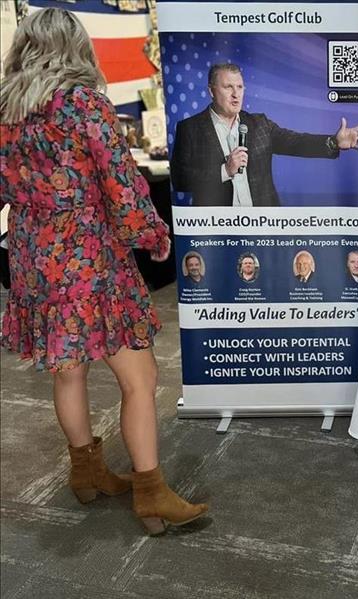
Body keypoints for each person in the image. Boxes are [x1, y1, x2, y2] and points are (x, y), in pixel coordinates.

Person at [0, 8, 208, 536]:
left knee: (67, 371)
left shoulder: (5, 110)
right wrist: (155, 236)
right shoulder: (84, 105)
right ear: (76, 46)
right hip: (90, 261)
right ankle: (151, 493)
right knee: (140, 379)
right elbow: (123, 185)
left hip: (32, 257)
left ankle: (86, 473)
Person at [171, 63, 358, 207]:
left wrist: (333, 142)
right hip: (216, 229)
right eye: (228, 87)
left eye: (240, 87)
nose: (236, 94)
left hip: (263, 225)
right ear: (211, 91)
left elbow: (296, 142)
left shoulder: (259, 124)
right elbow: (180, 179)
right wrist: (225, 171)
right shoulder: (190, 128)